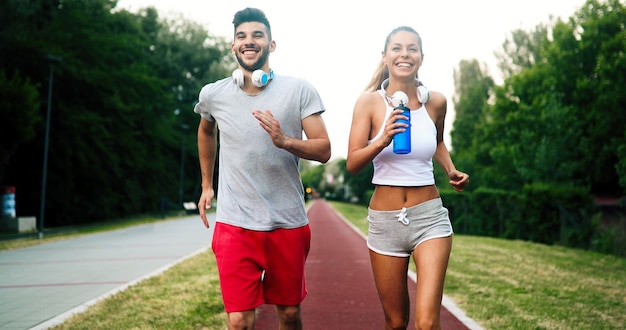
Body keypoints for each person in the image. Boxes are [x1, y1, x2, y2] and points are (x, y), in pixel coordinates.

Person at [193, 7, 331, 330]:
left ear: (271, 45)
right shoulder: (214, 95)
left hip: (287, 222)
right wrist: (206, 184)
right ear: (234, 46)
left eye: (257, 35)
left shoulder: (298, 89)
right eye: (241, 36)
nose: (249, 41)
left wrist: (285, 140)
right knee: (239, 321)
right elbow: (204, 130)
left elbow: (324, 149)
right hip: (235, 224)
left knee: (290, 314)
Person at [346, 26, 469, 330]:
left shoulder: (436, 102)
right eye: (397, 48)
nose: (405, 54)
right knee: (396, 322)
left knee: (427, 323)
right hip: (385, 221)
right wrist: (382, 139)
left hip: (429, 217)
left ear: (421, 58)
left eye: (412, 48)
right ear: (385, 56)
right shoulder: (368, 103)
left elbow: (437, 141)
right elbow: (352, 163)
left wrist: (450, 170)